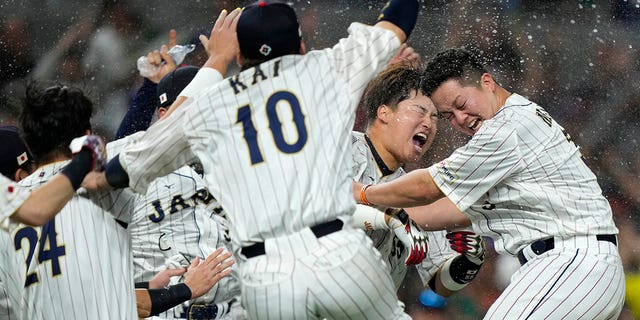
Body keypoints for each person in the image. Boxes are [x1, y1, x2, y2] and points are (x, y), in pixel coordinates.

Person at [87, 1, 420, 318]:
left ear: (241, 56)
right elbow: (399, 18)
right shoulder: (327, 68)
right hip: (335, 251)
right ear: (301, 47)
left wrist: (217, 59)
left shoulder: (212, 104)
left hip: (266, 275)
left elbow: (125, 168)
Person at [354, 47, 625, 319]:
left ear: (487, 82)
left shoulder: (506, 127)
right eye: (449, 115)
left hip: (572, 263)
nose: (460, 118)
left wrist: (363, 194)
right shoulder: (512, 127)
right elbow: (447, 210)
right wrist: (387, 214)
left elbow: (427, 186)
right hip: (581, 268)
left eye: (461, 104)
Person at [111, 63, 243, 319]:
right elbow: (121, 152)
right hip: (162, 311)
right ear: (163, 114)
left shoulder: (239, 162)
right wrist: (150, 86)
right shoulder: (140, 169)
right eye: (194, 107)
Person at [350, 60, 485, 300]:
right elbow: (326, 214)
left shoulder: (416, 193)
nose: (429, 124)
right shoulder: (343, 147)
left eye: (435, 117)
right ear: (384, 112)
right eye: (419, 111)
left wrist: (467, 265)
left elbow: (438, 282)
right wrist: (392, 219)